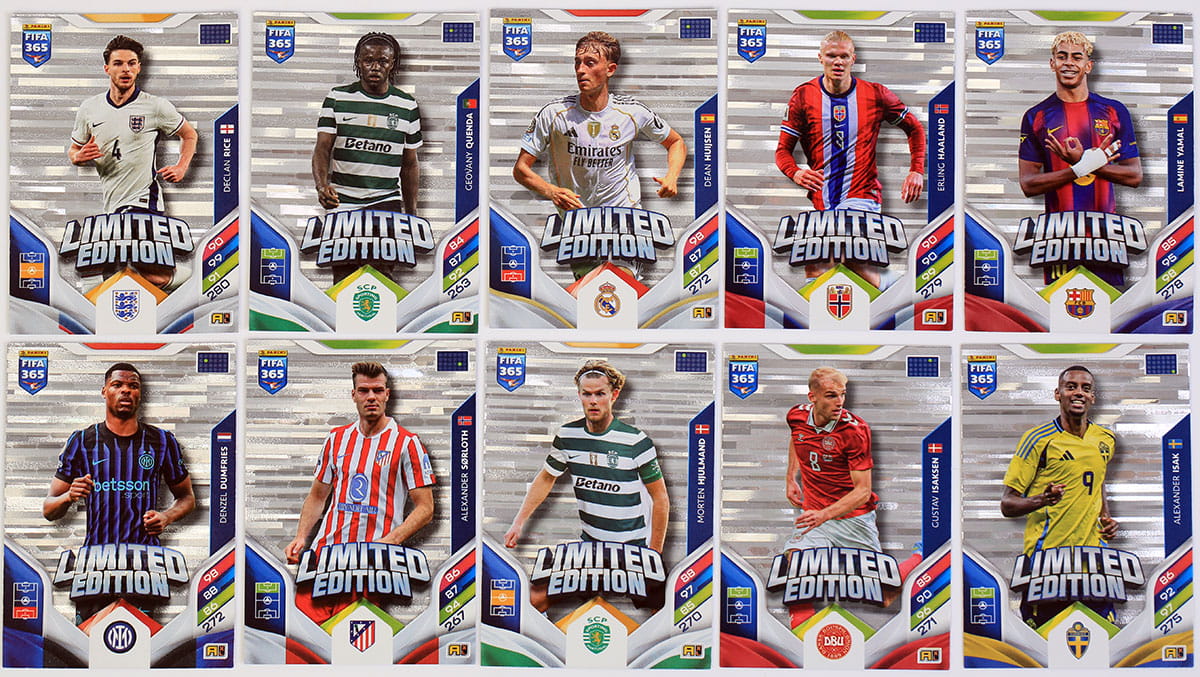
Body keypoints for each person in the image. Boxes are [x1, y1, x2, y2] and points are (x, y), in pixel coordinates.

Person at [504, 359, 669, 611]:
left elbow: (660, 498)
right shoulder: (567, 437)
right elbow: (546, 478)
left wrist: (653, 555)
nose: (593, 401)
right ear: (579, 395)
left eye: (600, 394)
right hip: (589, 552)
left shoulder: (636, 442)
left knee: (667, 612)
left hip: (633, 552)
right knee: (533, 601)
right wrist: (518, 522)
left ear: (614, 395)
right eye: (587, 394)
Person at [43, 363, 195, 620]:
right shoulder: (82, 441)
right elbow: (49, 509)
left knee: (142, 639)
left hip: (143, 568)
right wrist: (69, 496)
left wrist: (166, 517)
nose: (126, 390)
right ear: (104, 391)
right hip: (95, 568)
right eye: (117, 385)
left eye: (133, 386)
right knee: (89, 640)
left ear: (140, 394)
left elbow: (187, 498)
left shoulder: (161, 441)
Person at [775, 30, 926, 286]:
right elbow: (782, 151)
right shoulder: (803, 96)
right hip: (823, 200)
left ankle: (888, 295)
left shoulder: (876, 94)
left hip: (862, 195)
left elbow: (914, 128)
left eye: (844, 56)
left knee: (841, 257)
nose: (838, 62)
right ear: (820, 58)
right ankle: (892, 287)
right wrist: (796, 172)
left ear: (853, 59)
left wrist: (916, 170)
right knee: (817, 270)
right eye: (831, 55)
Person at [783, 367, 920, 626]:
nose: (839, 402)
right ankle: (801, 627)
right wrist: (791, 476)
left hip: (854, 519)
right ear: (812, 397)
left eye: (842, 395)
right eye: (831, 396)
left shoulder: (855, 431)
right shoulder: (796, 415)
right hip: (815, 513)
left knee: (883, 596)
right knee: (795, 562)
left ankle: (920, 556)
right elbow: (796, 438)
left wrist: (824, 515)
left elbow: (863, 491)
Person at [68, 35, 198, 287]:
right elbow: (74, 149)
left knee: (119, 265)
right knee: (138, 275)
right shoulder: (90, 108)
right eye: (118, 63)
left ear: (139, 68)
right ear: (107, 68)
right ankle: (189, 281)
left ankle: (196, 281)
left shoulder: (155, 106)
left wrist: (182, 167)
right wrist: (78, 156)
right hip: (111, 204)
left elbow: (189, 134)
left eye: (131, 63)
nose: (125, 69)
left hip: (143, 200)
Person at [1018, 31, 1142, 284]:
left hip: (1105, 239)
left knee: (1109, 304)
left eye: (1077, 57)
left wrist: (1086, 163)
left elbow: (1134, 176)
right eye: (1062, 56)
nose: (1069, 63)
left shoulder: (1114, 111)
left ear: (1088, 65)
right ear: (1052, 63)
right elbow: (1028, 184)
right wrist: (1078, 168)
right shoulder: (1036, 116)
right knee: (1058, 304)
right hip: (1058, 240)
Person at [514, 31, 687, 212]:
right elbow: (520, 169)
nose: (580, 70)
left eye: (590, 63)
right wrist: (551, 191)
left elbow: (676, 142)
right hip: (576, 219)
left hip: (625, 214)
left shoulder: (632, 112)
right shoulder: (554, 113)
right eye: (577, 62)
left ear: (610, 69)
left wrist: (672, 176)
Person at [1001, 365, 1118, 628]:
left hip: (1094, 565)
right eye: (1071, 387)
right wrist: (1042, 500)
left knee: (1102, 640)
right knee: (1043, 645)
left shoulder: (1106, 439)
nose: (1079, 393)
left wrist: (1106, 516)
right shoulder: (1038, 440)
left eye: (1085, 388)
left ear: (1093, 397)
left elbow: (1098, 479)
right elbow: (1007, 504)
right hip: (1048, 565)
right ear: (1058, 394)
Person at [285, 361, 435, 563]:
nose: (371, 397)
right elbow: (318, 496)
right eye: (364, 391)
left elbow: (426, 508)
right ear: (354, 395)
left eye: (378, 390)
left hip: (376, 559)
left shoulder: (407, 443)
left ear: (387, 395)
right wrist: (300, 536)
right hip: (327, 555)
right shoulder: (336, 439)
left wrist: (391, 540)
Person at [312, 32, 421, 215]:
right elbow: (322, 148)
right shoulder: (337, 98)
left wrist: (411, 213)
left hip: (386, 200)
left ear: (392, 64)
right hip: (342, 200)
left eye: (383, 61)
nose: (375, 67)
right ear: (358, 62)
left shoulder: (407, 105)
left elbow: (410, 164)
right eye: (368, 60)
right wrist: (322, 186)